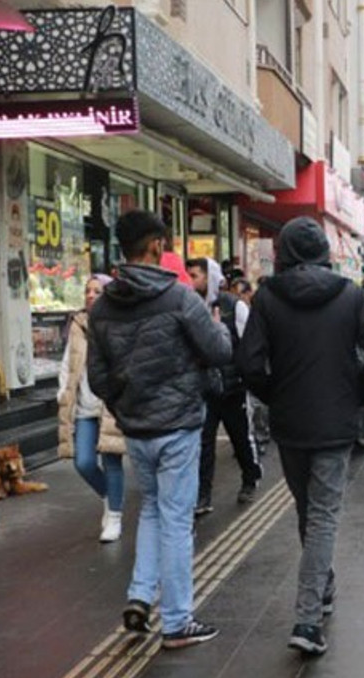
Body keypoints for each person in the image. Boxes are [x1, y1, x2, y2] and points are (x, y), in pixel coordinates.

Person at [238, 217, 364, 656]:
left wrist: (274, 396)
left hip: (290, 425)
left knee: (310, 511)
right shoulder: (350, 295)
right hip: (336, 422)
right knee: (321, 515)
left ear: (285, 253)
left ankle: (317, 598)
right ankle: (308, 620)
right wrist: (358, 398)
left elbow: (248, 364)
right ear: (324, 251)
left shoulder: (267, 297)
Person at [88, 210, 233, 650]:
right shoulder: (180, 298)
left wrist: (125, 402)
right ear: (155, 246)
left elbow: (98, 377)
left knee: (152, 509)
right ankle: (176, 620)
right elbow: (220, 351)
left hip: (136, 428)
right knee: (174, 519)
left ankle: (139, 596)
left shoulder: (104, 306)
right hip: (179, 426)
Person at [186, 258, 263, 512]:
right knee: (204, 442)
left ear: (209, 277)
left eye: (195, 275)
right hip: (205, 389)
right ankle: (202, 495)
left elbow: (250, 343)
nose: (191, 280)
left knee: (240, 438)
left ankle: (250, 478)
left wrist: (245, 377)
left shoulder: (234, 306)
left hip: (232, 388)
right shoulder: (190, 307)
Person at [57, 274, 127, 543]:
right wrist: (63, 393)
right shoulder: (77, 323)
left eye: (97, 291)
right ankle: (110, 497)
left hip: (109, 405)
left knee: (112, 461)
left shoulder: (118, 323)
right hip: (84, 405)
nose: (90, 295)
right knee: (83, 462)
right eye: (87, 290)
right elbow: (68, 362)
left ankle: (115, 517)